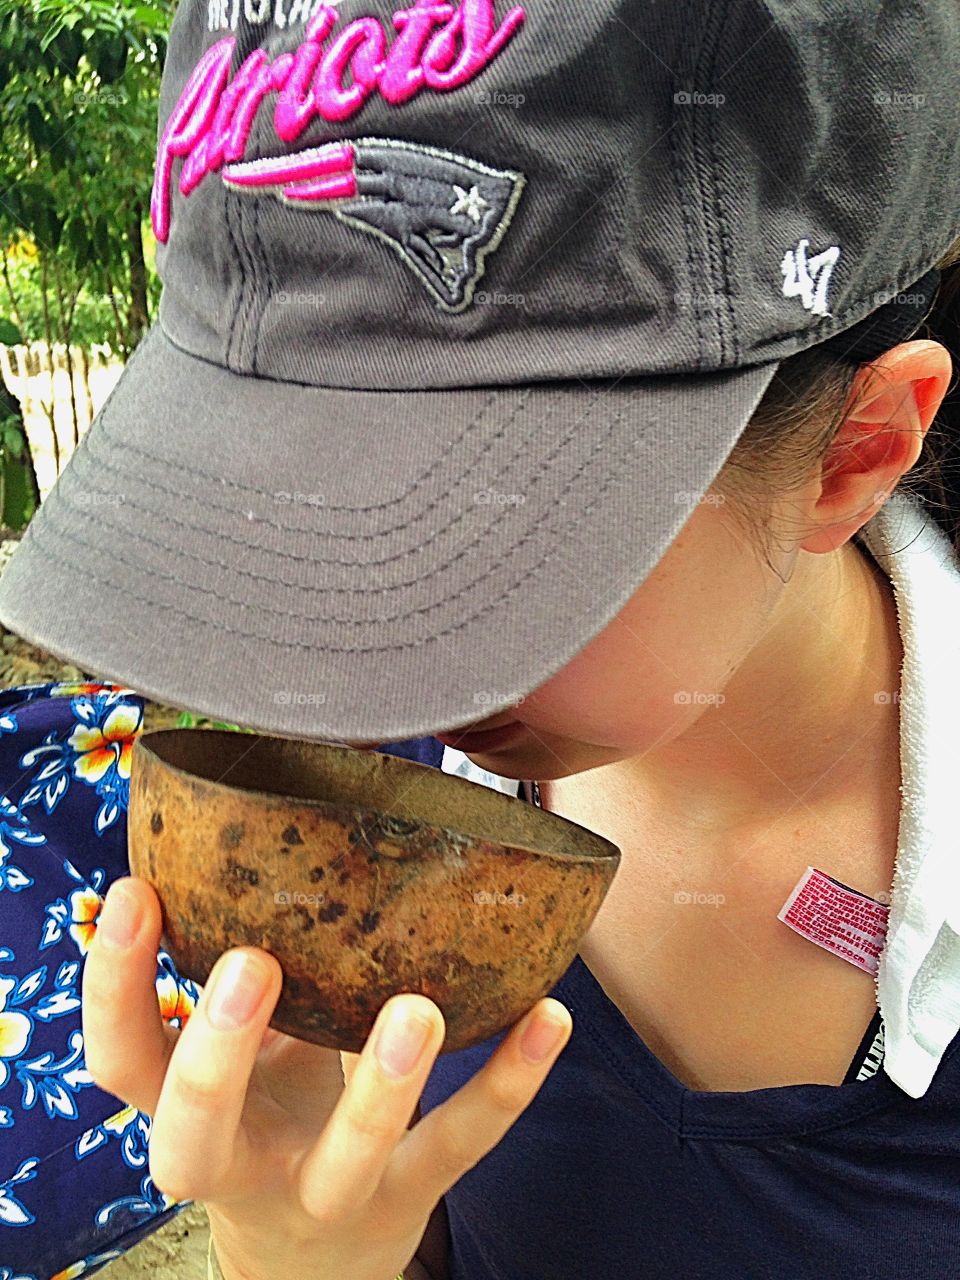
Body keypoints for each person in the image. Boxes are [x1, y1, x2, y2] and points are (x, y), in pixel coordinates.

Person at [0, 2, 959, 1277]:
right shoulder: (372, 813)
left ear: (857, 451)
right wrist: (300, 1248)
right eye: (280, 503)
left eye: (499, 529)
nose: (348, 659)